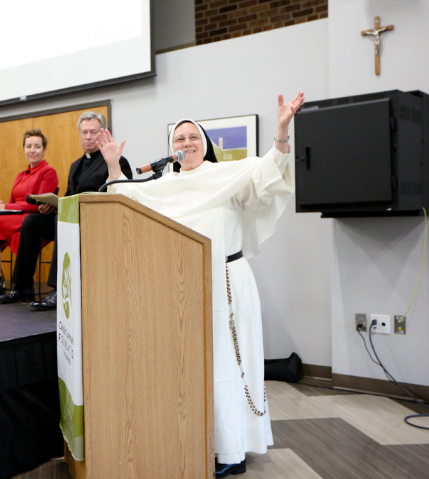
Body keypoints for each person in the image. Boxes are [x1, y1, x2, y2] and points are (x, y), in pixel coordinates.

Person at [97, 92, 305, 478]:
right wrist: (112, 164)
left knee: (227, 364)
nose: (186, 144)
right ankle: (194, 441)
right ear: (171, 147)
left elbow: (272, 170)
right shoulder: (163, 184)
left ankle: (232, 449)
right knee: (188, 366)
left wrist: (281, 129)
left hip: (226, 282)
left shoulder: (226, 174)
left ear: (205, 144)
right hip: (182, 289)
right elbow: (125, 196)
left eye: (193, 137)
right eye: (179, 138)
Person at [0, 112, 132, 307]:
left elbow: (121, 196)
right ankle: (22, 287)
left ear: (103, 133)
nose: (88, 136)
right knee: (31, 222)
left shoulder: (116, 161)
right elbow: (68, 197)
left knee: (61, 222)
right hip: (71, 218)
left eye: (93, 132)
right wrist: (52, 205)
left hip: (95, 222)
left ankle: (59, 290)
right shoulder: (76, 164)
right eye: (84, 132)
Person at [0, 129, 59, 301]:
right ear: (24, 149)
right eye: (29, 146)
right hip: (14, 216)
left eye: (37, 146)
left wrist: (5, 206)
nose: (32, 150)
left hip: (31, 218)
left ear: (44, 150)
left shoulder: (48, 172)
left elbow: (40, 204)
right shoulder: (21, 175)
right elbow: (11, 201)